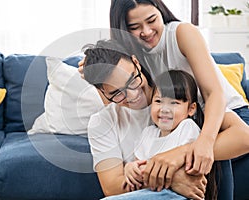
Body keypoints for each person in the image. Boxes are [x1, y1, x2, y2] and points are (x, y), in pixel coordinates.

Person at [79, 0, 249, 198]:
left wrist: (187, 151)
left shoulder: (181, 34)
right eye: (134, 27)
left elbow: (214, 94)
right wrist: (97, 71)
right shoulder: (137, 58)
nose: (147, 31)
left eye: (151, 20)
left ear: (161, 11)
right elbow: (118, 110)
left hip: (225, 112)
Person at [124, 70, 217, 200]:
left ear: (191, 109)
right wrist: (130, 168)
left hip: (177, 194)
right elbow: (138, 164)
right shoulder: (148, 133)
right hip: (150, 192)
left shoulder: (187, 128)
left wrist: (143, 171)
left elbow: (185, 171)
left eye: (174, 103)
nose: (165, 109)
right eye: (158, 101)